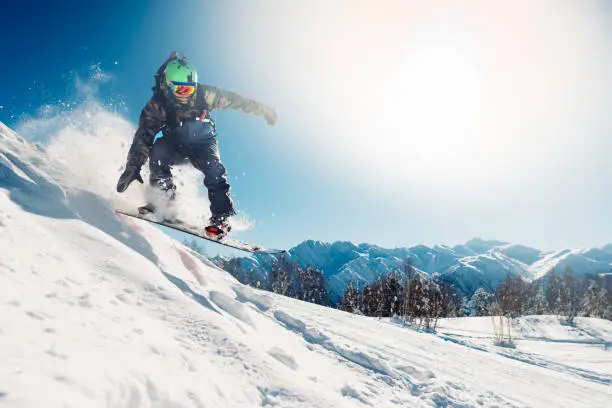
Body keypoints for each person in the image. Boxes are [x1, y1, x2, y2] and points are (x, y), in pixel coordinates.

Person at [116, 52, 277, 238]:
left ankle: (220, 218)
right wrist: (133, 166)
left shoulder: (205, 95)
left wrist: (263, 110)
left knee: (214, 169)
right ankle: (163, 202)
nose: (187, 95)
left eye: (190, 89)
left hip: (203, 143)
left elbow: (236, 101)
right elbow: (143, 136)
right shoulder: (157, 106)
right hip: (176, 145)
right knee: (158, 150)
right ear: (167, 85)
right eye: (182, 90)